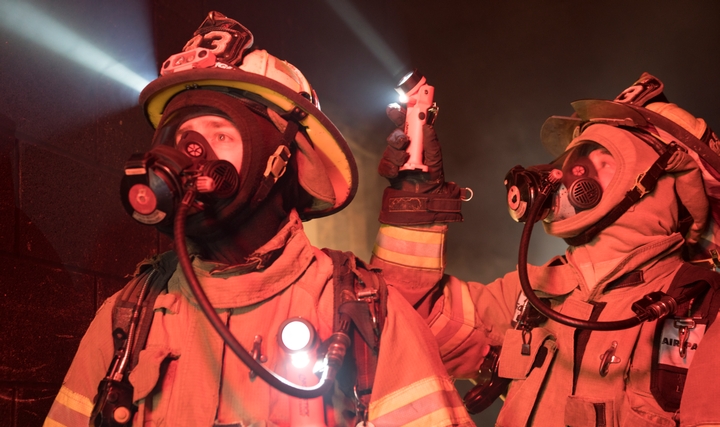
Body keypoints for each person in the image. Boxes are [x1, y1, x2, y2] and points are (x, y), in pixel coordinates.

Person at [43, 12, 474, 427]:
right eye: (181, 137)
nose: (193, 154)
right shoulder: (128, 316)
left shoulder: (361, 311)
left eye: (222, 134)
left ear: (282, 159)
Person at [371, 72, 720, 426]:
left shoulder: (704, 315)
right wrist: (417, 206)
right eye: (583, 154)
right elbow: (405, 326)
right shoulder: (531, 293)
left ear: (656, 183)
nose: (572, 173)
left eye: (606, 160)